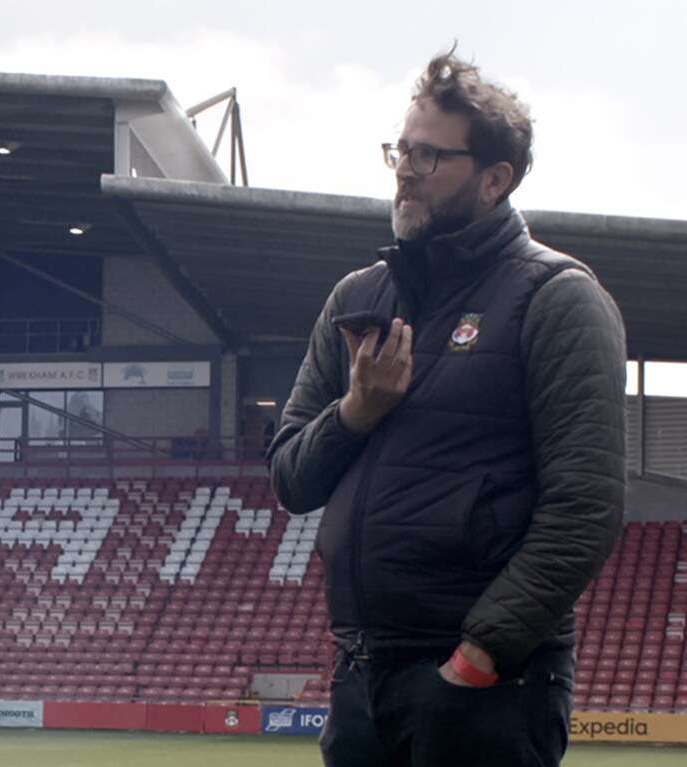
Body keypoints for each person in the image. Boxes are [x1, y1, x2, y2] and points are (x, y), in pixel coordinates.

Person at [268, 49, 624, 766]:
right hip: (363, 675)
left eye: (430, 156)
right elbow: (290, 478)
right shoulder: (356, 298)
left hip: (485, 688)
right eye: (402, 149)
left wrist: (478, 657)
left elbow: (585, 505)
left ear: (496, 179)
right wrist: (354, 414)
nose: (404, 168)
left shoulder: (556, 298)